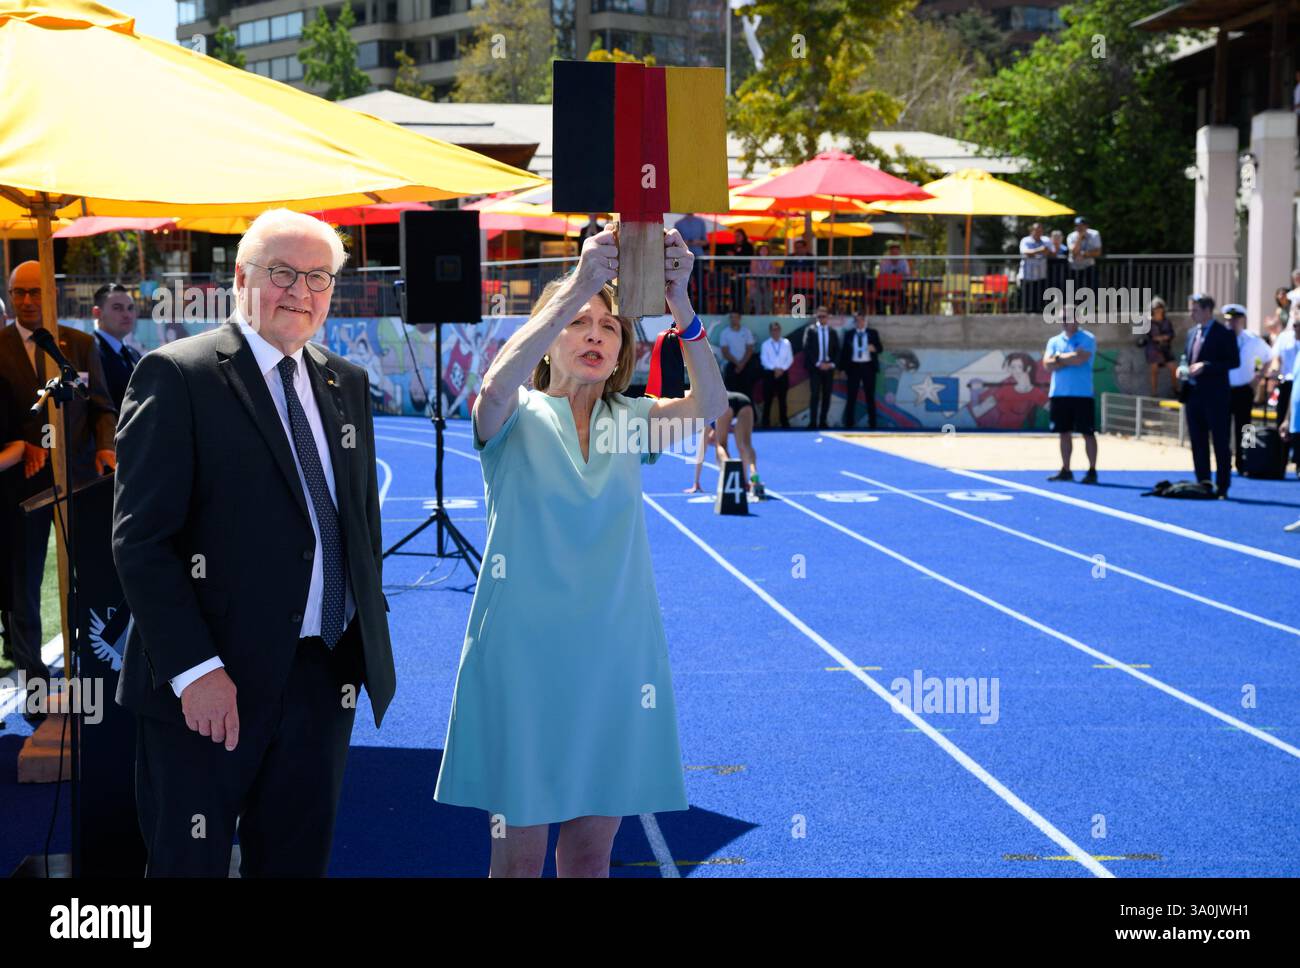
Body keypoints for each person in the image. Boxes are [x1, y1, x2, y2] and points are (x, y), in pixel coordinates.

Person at [433, 226, 727, 878]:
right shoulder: (513, 414)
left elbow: (709, 405)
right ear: (550, 336)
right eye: (578, 324)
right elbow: (492, 387)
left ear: (624, 347)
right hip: (524, 663)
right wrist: (577, 288)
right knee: (518, 860)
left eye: (610, 326)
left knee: (592, 858)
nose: (594, 334)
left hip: (617, 661)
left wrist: (680, 300)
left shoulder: (631, 420)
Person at [112, 209, 396, 876]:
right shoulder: (178, 374)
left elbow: (358, 524)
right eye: (282, 273)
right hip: (211, 688)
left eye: (318, 277)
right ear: (241, 278)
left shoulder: (344, 382)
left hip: (322, 681)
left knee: (295, 865)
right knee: (189, 866)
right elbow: (141, 542)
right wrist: (197, 670)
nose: (301, 291)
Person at [0, 261, 117, 723]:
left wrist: (106, 447)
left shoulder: (80, 345)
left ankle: (94, 674)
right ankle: (33, 681)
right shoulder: (0, 347)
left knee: (87, 577)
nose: (26, 301)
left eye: (34, 291)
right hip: (19, 490)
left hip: (80, 484)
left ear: (49, 292)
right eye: (17, 293)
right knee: (24, 584)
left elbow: (103, 407)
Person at [1179, 292, 1239, 498]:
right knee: (1198, 441)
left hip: (1215, 397)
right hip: (1193, 394)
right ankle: (1203, 483)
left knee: (1220, 442)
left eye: (1195, 310)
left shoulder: (1224, 333)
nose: (1191, 313)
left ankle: (1223, 486)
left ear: (1207, 311)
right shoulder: (1191, 333)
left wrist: (1206, 366)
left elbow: (1233, 362)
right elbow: (1186, 357)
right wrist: (1183, 368)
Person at [1043, 302, 1098, 483]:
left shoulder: (1087, 338)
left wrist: (1058, 358)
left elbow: (1080, 359)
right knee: (1063, 432)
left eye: (1068, 317)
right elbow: (1047, 364)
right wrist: (1066, 357)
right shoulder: (1054, 341)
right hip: (1059, 394)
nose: (1064, 321)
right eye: (1063, 318)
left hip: (1082, 394)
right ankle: (1066, 469)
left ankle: (1091, 470)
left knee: (1087, 433)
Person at [686, 392, 763, 498]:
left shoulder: (708, 424)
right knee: (745, 445)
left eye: (710, 442)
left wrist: (696, 482)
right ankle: (753, 474)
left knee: (721, 445)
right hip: (744, 400)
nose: (711, 442)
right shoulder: (714, 419)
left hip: (724, 402)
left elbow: (700, 453)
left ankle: (730, 470)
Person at [1224, 303, 1270, 474]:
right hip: (1224, 389)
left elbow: (1268, 357)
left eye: (1235, 320)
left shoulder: (1252, 340)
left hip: (1244, 388)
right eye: (1229, 320)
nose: (1232, 323)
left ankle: (1245, 460)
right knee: (1223, 426)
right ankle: (1224, 461)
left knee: (1246, 427)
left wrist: (1258, 378)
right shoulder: (1220, 338)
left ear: (1242, 320)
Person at [92, 283, 141, 409]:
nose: (127, 314)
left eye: (130, 308)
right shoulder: (88, 352)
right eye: (117, 308)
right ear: (97, 313)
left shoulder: (133, 354)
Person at [838, 312, 883, 429]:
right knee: (851, 396)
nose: (859, 322)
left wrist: (874, 348)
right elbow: (844, 353)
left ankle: (872, 423)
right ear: (854, 322)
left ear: (865, 321)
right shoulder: (849, 334)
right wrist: (842, 369)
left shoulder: (872, 333)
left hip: (868, 367)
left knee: (870, 396)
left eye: (861, 320)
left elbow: (880, 348)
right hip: (853, 367)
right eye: (857, 320)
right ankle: (849, 423)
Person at [802, 305, 840, 430]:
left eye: (824, 316)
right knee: (814, 395)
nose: (821, 319)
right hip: (815, 368)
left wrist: (831, 364)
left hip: (829, 368)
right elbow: (807, 349)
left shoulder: (832, 332)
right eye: (819, 316)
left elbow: (837, 350)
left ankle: (823, 421)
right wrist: (818, 363)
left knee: (827, 395)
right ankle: (813, 422)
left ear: (828, 317)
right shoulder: (811, 330)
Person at [1142, 296, 1178, 397]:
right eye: (1156, 308)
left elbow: (1172, 334)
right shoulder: (1149, 322)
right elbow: (1148, 336)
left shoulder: (1167, 321)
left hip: (1166, 349)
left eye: (1160, 308)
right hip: (1153, 350)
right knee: (1154, 370)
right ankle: (1154, 393)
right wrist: (1156, 338)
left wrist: (1165, 337)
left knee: (1174, 368)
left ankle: (1175, 389)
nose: (1158, 310)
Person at [759, 320, 792, 428]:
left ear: (780, 330)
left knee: (783, 399)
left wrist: (782, 369)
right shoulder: (765, 344)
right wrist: (774, 369)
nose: (775, 332)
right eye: (773, 330)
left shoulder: (786, 343)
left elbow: (790, 359)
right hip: (769, 374)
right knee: (768, 399)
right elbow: (764, 359)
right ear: (770, 331)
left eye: (777, 330)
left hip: (783, 374)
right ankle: (765, 422)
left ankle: (784, 422)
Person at [718, 310, 756, 396]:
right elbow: (725, 352)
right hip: (731, 366)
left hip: (745, 365)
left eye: (735, 317)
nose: (733, 319)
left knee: (747, 392)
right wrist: (738, 364)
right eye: (732, 317)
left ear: (740, 318)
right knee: (731, 393)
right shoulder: (725, 333)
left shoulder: (746, 331)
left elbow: (749, 349)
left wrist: (741, 364)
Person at [1066, 216, 1102, 296]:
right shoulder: (1071, 236)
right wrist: (1079, 237)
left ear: (1087, 226)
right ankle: (1077, 307)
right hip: (1074, 267)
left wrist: (1083, 254)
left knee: (1092, 289)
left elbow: (1098, 252)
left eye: (1082, 225)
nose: (1079, 228)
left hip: (1089, 266)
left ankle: (1092, 307)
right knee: (1075, 290)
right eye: (1077, 226)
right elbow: (1074, 252)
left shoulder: (1094, 234)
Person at [1018, 223, 1048, 314]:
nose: (1038, 232)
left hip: (1040, 275)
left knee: (1038, 300)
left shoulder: (1045, 240)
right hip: (1027, 275)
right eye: (1036, 230)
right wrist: (1040, 250)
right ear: (1032, 231)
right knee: (1027, 300)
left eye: (1040, 231)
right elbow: (1026, 252)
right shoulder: (1025, 240)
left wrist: (1041, 251)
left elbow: (1051, 251)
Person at [749, 243, 777, 313]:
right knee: (757, 297)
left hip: (768, 283)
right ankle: (757, 312)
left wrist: (763, 272)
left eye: (765, 250)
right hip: (756, 283)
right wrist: (766, 272)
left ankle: (767, 312)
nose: (764, 251)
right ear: (758, 251)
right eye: (762, 250)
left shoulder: (771, 259)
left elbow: (774, 271)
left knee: (768, 296)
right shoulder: (754, 259)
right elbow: (754, 270)